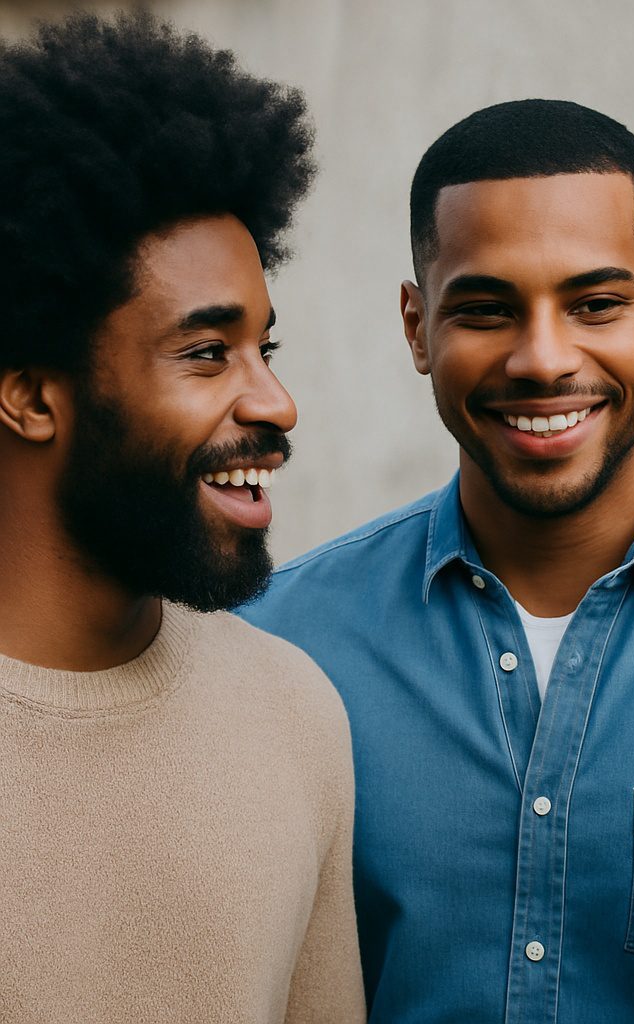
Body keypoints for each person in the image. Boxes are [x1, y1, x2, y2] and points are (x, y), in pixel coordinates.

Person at [241, 99, 634, 1023]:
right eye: (487, 309)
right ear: (418, 329)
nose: (544, 359)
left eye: (595, 304)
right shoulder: (281, 648)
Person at [0, 12, 364, 1022]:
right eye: (207, 354)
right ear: (33, 395)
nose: (274, 403)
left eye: (266, 350)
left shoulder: (296, 713)